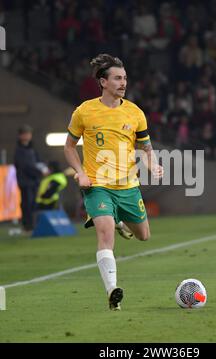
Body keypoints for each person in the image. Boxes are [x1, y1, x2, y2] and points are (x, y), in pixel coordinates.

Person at [64, 54, 163, 311]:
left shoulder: (135, 112)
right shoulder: (84, 111)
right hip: (97, 186)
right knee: (105, 233)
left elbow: (146, 146)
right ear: (103, 82)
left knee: (143, 236)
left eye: (125, 78)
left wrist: (152, 164)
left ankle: (120, 220)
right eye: (118, 78)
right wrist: (80, 172)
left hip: (128, 186)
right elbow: (69, 147)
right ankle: (112, 291)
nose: (123, 83)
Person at [14, 124, 46, 232]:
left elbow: (38, 162)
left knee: (33, 204)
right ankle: (27, 226)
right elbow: (24, 166)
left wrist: (43, 169)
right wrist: (38, 172)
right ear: (20, 136)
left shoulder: (32, 149)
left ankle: (33, 225)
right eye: (25, 133)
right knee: (26, 204)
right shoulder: (19, 151)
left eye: (29, 133)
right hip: (25, 181)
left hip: (34, 181)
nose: (28, 135)